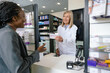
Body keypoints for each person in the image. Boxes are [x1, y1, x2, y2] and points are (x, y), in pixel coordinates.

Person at [0, 1, 46, 73]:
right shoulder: (9, 34)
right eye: (23, 16)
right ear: (14, 18)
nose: (25, 20)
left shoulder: (4, 32)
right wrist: (37, 52)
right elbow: (19, 68)